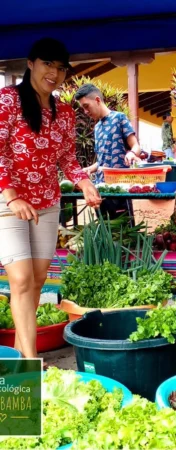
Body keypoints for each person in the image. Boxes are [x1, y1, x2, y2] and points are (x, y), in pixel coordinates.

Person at [0, 38, 101, 359]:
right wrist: (11, 194)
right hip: (7, 203)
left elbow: (68, 158)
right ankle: (29, 365)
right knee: (21, 279)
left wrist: (84, 182)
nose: (53, 73)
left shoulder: (66, 113)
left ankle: (19, 353)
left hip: (46, 203)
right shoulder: (7, 101)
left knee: (38, 280)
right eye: (47, 64)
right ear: (31, 63)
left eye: (60, 69)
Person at [75, 83, 141, 218]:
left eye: (86, 106)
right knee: (104, 229)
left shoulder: (119, 118)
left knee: (124, 230)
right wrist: (89, 169)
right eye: (83, 109)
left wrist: (132, 153)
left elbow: (136, 146)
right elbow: (102, 161)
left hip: (120, 188)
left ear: (97, 100)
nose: (86, 112)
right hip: (101, 188)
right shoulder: (97, 127)